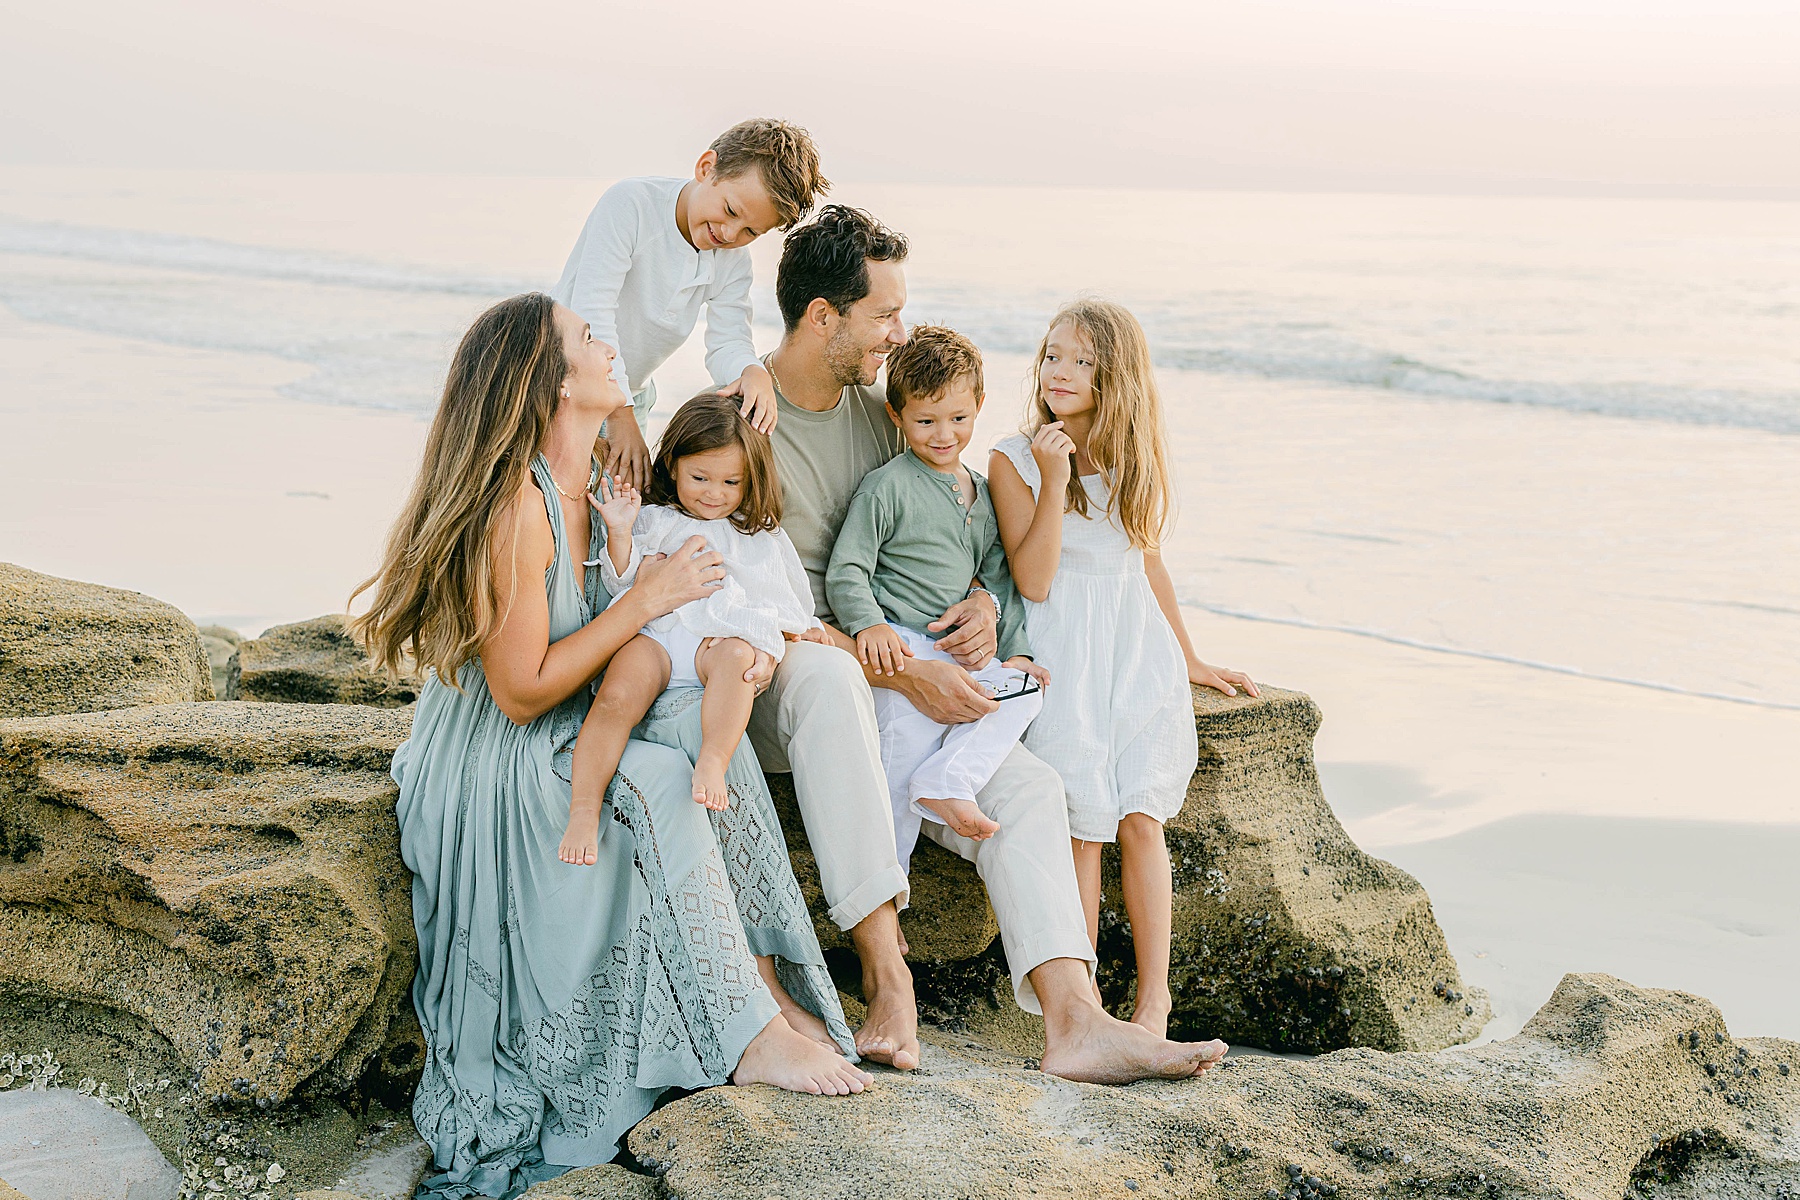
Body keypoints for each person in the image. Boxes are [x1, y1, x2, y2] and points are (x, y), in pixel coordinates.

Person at [351, 294, 868, 1199]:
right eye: (588, 339)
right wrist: (646, 603)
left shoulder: (595, 477)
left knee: (714, 732)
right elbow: (517, 694)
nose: (607, 345)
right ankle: (747, 1036)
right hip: (495, 757)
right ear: (551, 380)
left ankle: (765, 985)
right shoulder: (515, 504)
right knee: (667, 777)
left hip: (573, 714)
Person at [751, 205, 1230, 1082]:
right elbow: (738, 587)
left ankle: (1077, 1021)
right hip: (815, 662)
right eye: (884, 314)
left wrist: (983, 603)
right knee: (831, 691)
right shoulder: (744, 422)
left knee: (1040, 789)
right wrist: (898, 668)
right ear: (824, 316)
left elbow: (963, 520)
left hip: (925, 659)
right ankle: (887, 981)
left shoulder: (886, 406)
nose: (899, 333)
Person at [988, 299, 1258, 1038]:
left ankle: (1154, 1000)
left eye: (1082, 361)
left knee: (1141, 817)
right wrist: (1052, 473)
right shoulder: (1013, 458)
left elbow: (1147, 560)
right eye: (1052, 356)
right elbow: (1036, 579)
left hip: (1132, 648)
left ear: (1117, 377)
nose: (1061, 373)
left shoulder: (1132, 457)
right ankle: (1087, 1008)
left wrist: (1190, 655)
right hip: (1065, 648)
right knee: (1083, 825)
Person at [559, 392, 833, 869]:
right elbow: (620, 582)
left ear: (751, 480)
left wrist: (799, 628)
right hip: (658, 638)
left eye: (731, 481)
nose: (714, 492)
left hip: (716, 641)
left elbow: (780, 594)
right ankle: (583, 808)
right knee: (616, 697)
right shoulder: (658, 519)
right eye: (700, 477)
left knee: (737, 662)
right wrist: (621, 533)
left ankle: (714, 756)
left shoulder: (759, 534)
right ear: (674, 465)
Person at [825, 325, 1047, 870]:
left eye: (958, 419)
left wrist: (1016, 649)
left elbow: (996, 580)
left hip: (961, 651)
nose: (943, 434)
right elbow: (848, 567)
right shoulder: (888, 486)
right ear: (897, 417)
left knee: (1026, 688)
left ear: (979, 406)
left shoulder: (982, 490)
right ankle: (889, 887)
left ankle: (950, 778)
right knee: (899, 754)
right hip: (901, 642)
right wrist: (868, 625)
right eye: (925, 421)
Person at [552, 118, 829, 490]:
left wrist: (750, 369)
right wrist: (620, 415)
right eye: (731, 210)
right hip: (559, 384)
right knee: (555, 498)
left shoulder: (731, 261)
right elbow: (593, 312)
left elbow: (727, 340)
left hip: (632, 396)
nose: (729, 234)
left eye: (750, 232)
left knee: (616, 511)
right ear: (706, 168)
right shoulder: (631, 204)